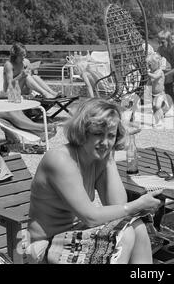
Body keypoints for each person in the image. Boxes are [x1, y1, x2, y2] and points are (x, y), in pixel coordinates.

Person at [26, 99, 162, 264]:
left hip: (76, 234)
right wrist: (137, 205)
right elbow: (91, 217)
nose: (104, 142)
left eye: (111, 135)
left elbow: (116, 203)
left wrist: (109, 155)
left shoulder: (97, 158)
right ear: (83, 132)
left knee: (137, 227)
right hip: (45, 244)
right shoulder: (60, 159)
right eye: (98, 134)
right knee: (124, 235)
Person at [146, 53, 170, 128]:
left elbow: (155, 77)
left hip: (160, 93)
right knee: (154, 108)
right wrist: (147, 87)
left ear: (157, 63)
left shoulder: (160, 71)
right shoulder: (152, 72)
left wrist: (148, 74)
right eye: (148, 65)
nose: (149, 66)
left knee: (157, 106)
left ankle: (161, 120)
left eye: (150, 65)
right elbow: (150, 82)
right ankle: (157, 121)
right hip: (153, 94)